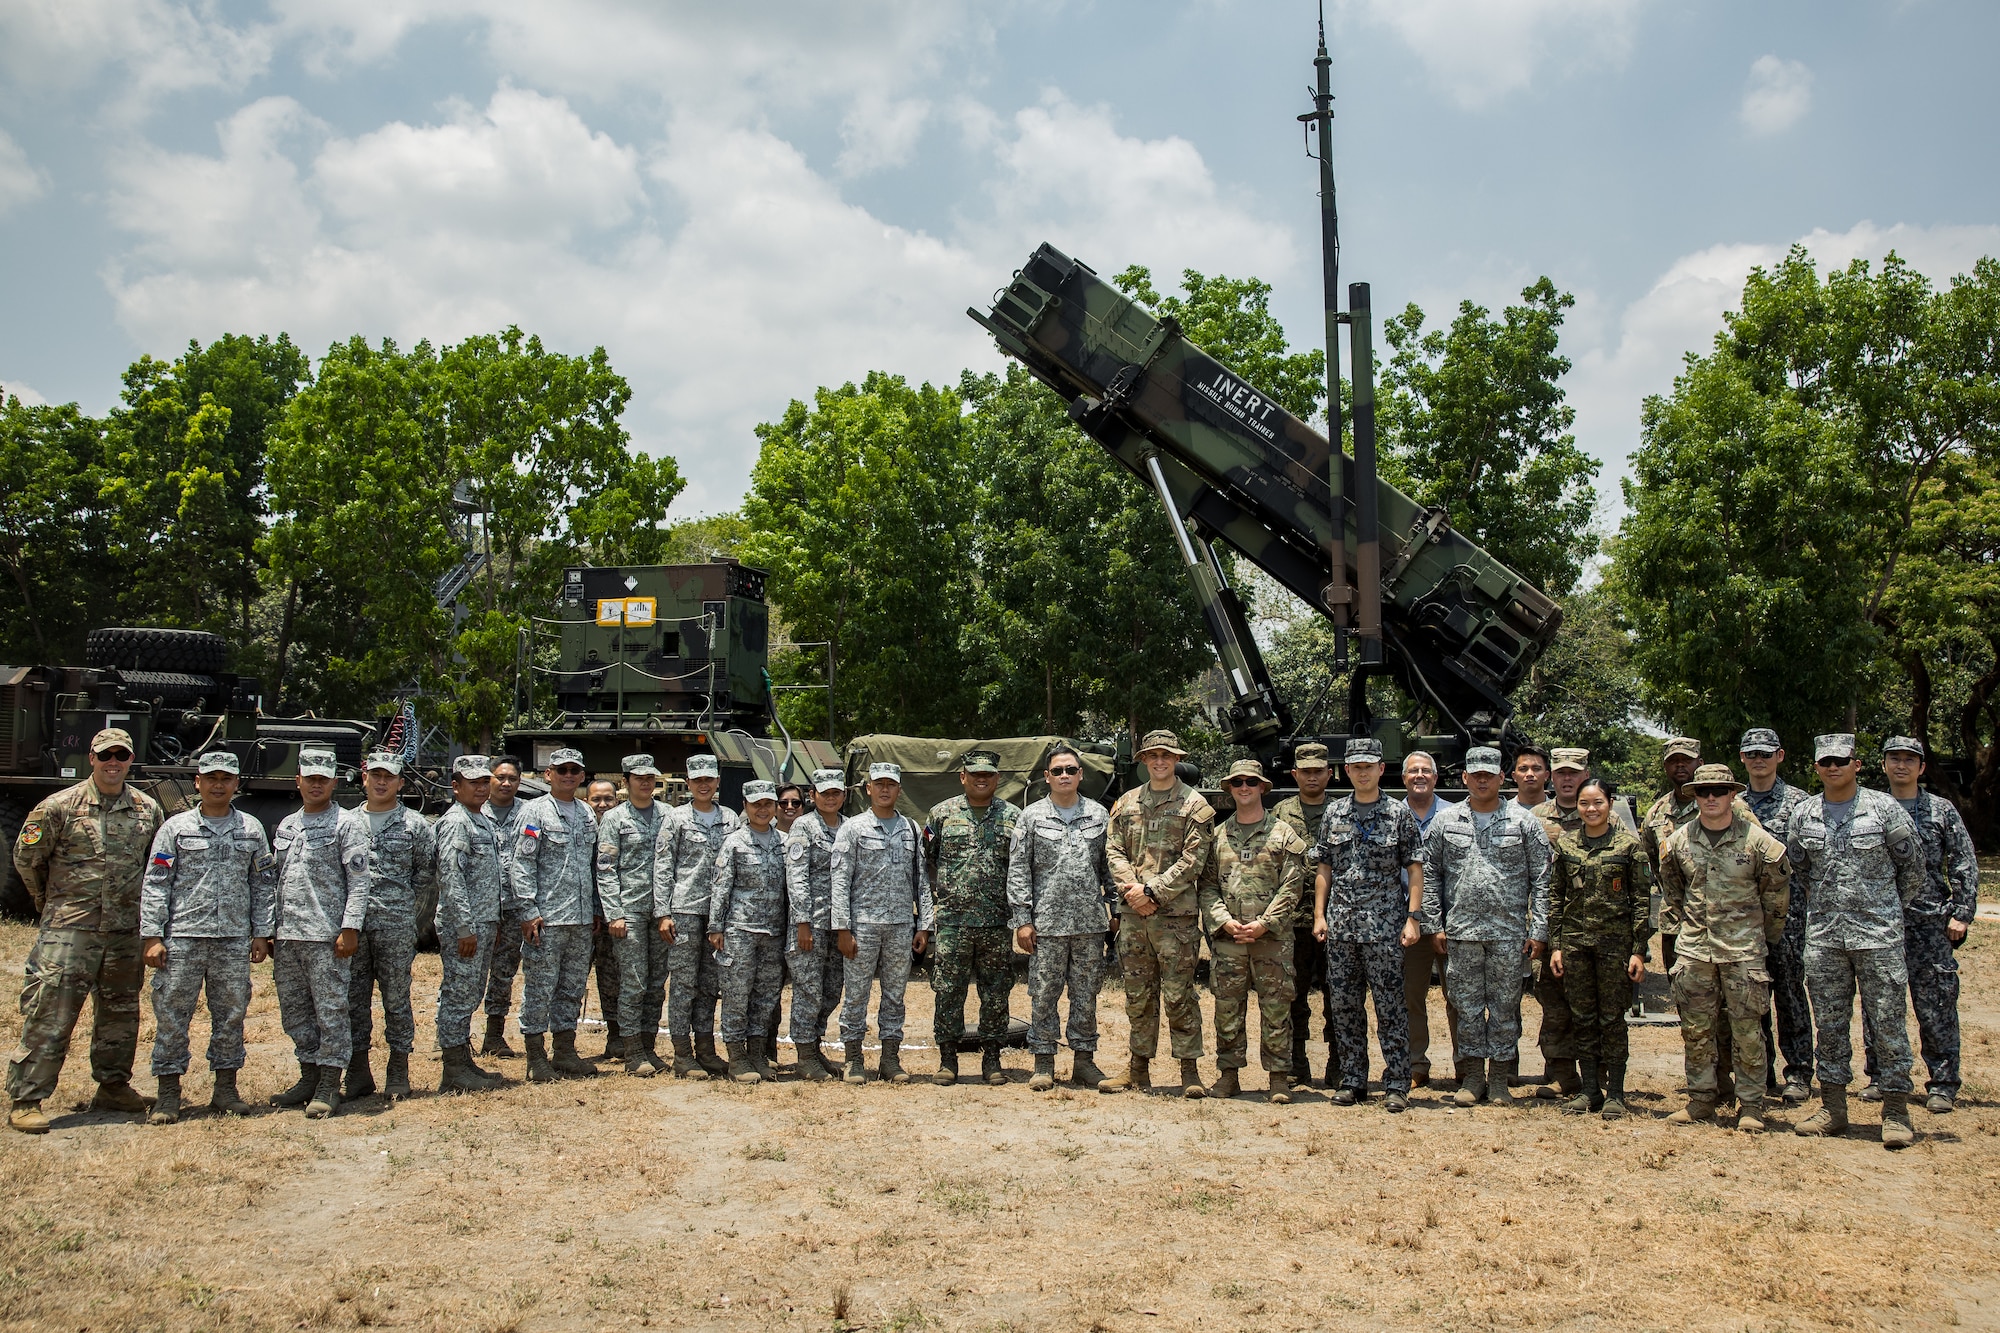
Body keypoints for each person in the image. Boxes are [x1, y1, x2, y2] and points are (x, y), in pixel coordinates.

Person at [7, 727, 164, 1134]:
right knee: (51, 1013)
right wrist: (51, 904)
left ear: (131, 761)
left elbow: (153, 868)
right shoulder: (57, 807)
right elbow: (27, 861)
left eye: (122, 756)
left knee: (120, 1013)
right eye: (105, 755)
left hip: (124, 930)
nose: (114, 762)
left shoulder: (148, 809)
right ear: (91, 758)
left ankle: (113, 1086)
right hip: (69, 931)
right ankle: (28, 1097)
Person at [1788, 734, 1925, 1147]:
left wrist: (1883, 908)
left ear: (1857, 765)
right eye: (1825, 762)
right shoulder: (1804, 813)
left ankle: (1897, 1112)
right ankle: (1833, 1107)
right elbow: (1801, 870)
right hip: (1826, 937)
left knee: (1887, 1024)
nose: (1833, 768)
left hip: (1878, 936)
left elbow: (1914, 869)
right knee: (1828, 1025)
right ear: (1816, 767)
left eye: (1841, 761)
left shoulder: (1884, 809)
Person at [136, 750, 271, 1127]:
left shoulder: (251, 829)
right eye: (210, 778)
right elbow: (157, 883)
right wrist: (152, 935)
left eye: (225, 778)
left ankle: (225, 1089)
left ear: (236, 783)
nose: (217, 784)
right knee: (172, 1016)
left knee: (230, 1015)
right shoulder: (175, 828)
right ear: (197, 782)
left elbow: (262, 885)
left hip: (232, 939)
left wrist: (261, 932)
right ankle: (168, 1093)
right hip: (182, 938)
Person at [1657, 764, 1791, 1132]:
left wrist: (1759, 938)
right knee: (1696, 1030)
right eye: (1703, 791)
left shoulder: (1759, 843)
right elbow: (1674, 893)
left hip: (1743, 951)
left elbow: (1776, 899)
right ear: (1695, 796)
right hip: (1695, 951)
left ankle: (1750, 1105)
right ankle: (1702, 1099)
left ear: (1733, 794)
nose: (1711, 797)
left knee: (1748, 1031)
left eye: (1719, 790)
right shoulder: (1677, 843)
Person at [1419, 745, 1551, 1106]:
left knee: (1507, 1007)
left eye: (1488, 774)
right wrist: (1434, 925)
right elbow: (1430, 875)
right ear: (1464, 777)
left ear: (1500, 778)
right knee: (1466, 1007)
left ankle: (1499, 1081)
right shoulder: (1446, 822)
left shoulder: (1524, 822)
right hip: (1461, 933)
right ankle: (1473, 1077)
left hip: (1509, 934)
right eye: (1474, 774)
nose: (1481, 779)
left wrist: (1538, 929)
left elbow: (1542, 879)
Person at [1863, 737, 1977, 1115]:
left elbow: (1962, 861)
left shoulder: (1940, 811)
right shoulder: (1868, 809)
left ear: (1921, 767)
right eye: (1894, 758)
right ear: (1883, 765)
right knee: (1879, 1004)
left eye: (1909, 760)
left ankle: (1942, 1083)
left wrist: (1962, 912)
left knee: (1936, 1005)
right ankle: (1880, 1077)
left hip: (1930, 924)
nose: (1901, 765)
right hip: (1880, 922)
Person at [1102, 729, 1216, 1097]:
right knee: (1138, 994)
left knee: (1180, 994)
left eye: (1167, 755)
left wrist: (1153, 891)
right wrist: (1134, 892)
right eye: (1153, 756)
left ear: (1177, 759)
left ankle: (1189, 1072)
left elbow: (1193, 860)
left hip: (1175, 919)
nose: (1160, 761)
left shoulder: (1195, 806)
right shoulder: (1126, 803)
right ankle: (1138, 1070)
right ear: (1144, 761)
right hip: (1135, 917)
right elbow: (1114, 851)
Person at [1311, 739, 1423, 1110]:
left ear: (1381, 769)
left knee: (1390, 1007)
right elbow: (1324, 868)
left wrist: (1413, 918)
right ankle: (1353, 1079)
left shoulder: (1398, 814)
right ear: (1346, 771)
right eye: (1355, 766)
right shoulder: (1334, 813)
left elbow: (1414, 867)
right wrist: (1319, 914)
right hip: (1342, 926)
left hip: (1386, 927)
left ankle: (1395, 1083)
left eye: (1369, 766)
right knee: (1344, 1007)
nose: (1362, 772)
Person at [270, 749, 371, 1119]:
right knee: (295, 1012)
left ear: (334, 782)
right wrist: (268, 930)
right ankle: (308, 1076)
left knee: (331, 1012)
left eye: (322, 779)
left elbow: (359, 883)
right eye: (309, 777)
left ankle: (330, 1082)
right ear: (298, 780)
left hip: (327, 937)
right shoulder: (287, 826)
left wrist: (349, 928)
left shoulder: (346, 824)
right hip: (288, 936)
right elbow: (275, 882)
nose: (315, 784)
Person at [1200, 759, 1308, 1103]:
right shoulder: (1217, 836)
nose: (1243, 788)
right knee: (1227, 1009)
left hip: (1272, 940)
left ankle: (1278, 1077)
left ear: (1263, 787)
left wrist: (1264, 924)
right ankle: (1228, 1075)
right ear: (1229, 789)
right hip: (1229, 939)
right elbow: (1206, 886)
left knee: (1276, 1008)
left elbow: (1292, 885)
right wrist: (1224, 921)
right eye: (1237, 783)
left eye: (1250, 782)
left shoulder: (1282, 834)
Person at [1007, 744, 1114, 1092]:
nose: (1064, 776)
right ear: (1047, 777)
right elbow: (1019, 870)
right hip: (1047, 925)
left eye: (1071, 769)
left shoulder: (1099, 815)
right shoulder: (1032, 816)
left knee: (1086, 994)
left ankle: (1084, 1062)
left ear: (1080, 774)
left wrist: (1115, 912)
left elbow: (1109, 869)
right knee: (1044, 994)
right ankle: (1043, 1062)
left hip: (1089, 924)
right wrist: (1023, 919)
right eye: (1058, 771)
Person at [1547, 777, 1650, 1119]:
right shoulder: (1566, 846)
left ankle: (1615, 1093)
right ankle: (1590, 1090)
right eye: (1584, 803)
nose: (1591, 809)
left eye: (1598, 803)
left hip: (1614, 947)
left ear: (1610, 804)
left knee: (1612, 1019)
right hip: (1576, 946)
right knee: (1583, 1018)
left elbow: (1640, 902)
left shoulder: (1627, 847)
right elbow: (1556, 898)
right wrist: (1557, 946)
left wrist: (1638, 950)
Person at [832, 762, 933, 1084]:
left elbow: (921, 880)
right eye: (879, 784)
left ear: (899, 789)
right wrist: (842, 929)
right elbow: (840, 881)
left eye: (891, 784)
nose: (885, 789)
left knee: (895, 995)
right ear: (868, 789)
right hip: (862, 926)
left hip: (901, 926)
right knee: (856, 994)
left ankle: (890, 1058)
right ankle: (853, 1059)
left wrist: (924, 925)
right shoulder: (853, 828)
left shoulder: (911, 829)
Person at [925, 749, 1021, 1086]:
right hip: (953, 922)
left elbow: (1021, 869)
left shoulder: (1014, 817)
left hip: (996, 922)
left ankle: (992, 1058)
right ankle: (948, 1059)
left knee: (996, 992)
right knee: (948, 991)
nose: (981, 779)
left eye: (988, 774)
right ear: (963, 776)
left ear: (997, 778)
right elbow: (929, 862)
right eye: (974, 773)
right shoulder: (941, 815)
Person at [345, 750, 434, 1102]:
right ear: (365, 778)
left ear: (400, 782)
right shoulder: (346, 822)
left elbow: (424, 876)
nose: (382, 782)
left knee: (396, 1000)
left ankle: (398, 1068)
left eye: (389, 776)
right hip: (352, 927)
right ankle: (357, 1070)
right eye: (375, 775)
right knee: (354, 1000)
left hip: (396, 926)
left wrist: (408, 918)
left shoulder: (415, 825)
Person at [511, 748, 603, 1084]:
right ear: (548, 774)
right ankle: (536, 1057)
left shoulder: (585, 814)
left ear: (582, 776)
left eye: (574, 771)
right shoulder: (534, 813)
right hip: (547, 920)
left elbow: (593, 867)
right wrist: (528, 911)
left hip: (579, 920)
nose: (568, 775)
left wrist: (594, 909)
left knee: (571, 988)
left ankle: (565, 1051)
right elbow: (522, 865)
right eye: (561, 770)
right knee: (539, 988)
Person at [1739, 727, 1814, 1104]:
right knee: (1752, 996)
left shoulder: (1801, 804)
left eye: (1765, 753)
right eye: (1751, 753)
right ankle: (1761, 1072)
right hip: (1746, 917)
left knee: (1789, 994)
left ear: (1780, 756)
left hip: (1791, 918)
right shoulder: (1733, 803)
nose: (1759, 760)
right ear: (1742, 758)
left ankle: (1799, 1072)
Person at [652, 754, 739, 1078]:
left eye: (709, 779)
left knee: (709, 984)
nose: (704, 785)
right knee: (684, 985)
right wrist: (663, 913)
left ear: (717, 782)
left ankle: (705, 1049)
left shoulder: (730, 819)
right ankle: (682, 1054)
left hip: (719, 914)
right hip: (685, 911)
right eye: (697, 780)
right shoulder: (676, 819)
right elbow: (663, 867)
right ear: (688, 783)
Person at [433, 755, 507, 1093]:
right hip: (465, 927)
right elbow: (451, 877)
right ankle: (453, 1069)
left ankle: (462, 1061)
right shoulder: (457, 822)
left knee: (470, 993)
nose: (480, 787)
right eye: (472, 782)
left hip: (483, 923)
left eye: (483, 781)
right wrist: (464, 926)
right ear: (456, 785)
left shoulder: (480, 820)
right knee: (459, 994)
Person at [710, 781, 789, 1084]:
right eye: (756, 803)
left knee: (766, 995)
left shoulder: (784, 842)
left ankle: (757, 1052)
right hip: (740, 930)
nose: (762, 809)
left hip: (773, 932)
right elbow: (720, 887)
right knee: (736, 994)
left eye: (768, 803)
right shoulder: (734, 842)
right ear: (745, 804)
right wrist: (716, 927)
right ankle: (736, 1056)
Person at [1512, 744, 1578, 1099]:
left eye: (1573, 772)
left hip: (1583, 923)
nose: (1531, 775)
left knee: (1578, 1001)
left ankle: (1581, 1072)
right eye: (1524, 768)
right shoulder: (1527, 816)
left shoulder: (1598, 810)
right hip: (1530, 921)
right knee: (1543, 999)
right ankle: (1540, 1070)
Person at [596, 755, 669, 1076]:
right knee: (634, 982)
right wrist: (614, 912)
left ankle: (649, 1046)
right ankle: (632, 1051)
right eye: (638, 778)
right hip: (629, 911)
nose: (645, 783)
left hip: (662, 912)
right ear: (626, 781)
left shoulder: (668, 815)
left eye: (650, 778)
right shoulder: (615, 819)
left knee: (655, 982)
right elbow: (606, 870)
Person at [1273, 741, 1335, 1087]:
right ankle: (1296, 1065)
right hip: (1292, 920)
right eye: (1305, 771)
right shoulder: (1280, 813)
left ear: (1329, 773)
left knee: (1337, 996)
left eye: (1318, 771)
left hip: (1337, 919)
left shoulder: (1343, 811)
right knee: (1292, 996)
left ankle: (1339, 1065)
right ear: (1295, 774)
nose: (1312, 777)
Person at [1398, 751, 1458, 1087]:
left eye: (1426, 771)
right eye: (1413, 771)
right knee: (1410, 996)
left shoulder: (1455, 814)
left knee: (1459, 997)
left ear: (1436, 778)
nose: (1419, 775)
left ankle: (1466, 1064)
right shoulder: (1392, 814)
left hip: (1451, 923)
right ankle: (1415, 1064)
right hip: (1408, 925)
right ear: (1403, 778)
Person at [785, 769, 849, 1082]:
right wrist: (802, 922)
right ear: (813, 795)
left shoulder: (850, 827)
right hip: (811, 923)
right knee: (808, 990)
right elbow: (796, 877)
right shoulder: (804, 826)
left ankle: (816, 1043)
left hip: (840, 924)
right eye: (824, 793)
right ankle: (804, 1055)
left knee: (831, 990)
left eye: (836, 792)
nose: (830, 797)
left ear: (844, 794)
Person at [480, 756, 528, 1059]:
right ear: (489, 779)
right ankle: (446, 1035)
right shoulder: (473, 811)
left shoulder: (528, 813)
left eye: (512, 778)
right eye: (500, 777)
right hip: (479, 909)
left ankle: (494, 1036)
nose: (506, 783)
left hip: (512, 907)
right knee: (464, 975)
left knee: (503, 973)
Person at [583, 776, 625, 1060]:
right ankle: (563, 1045)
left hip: (610, 918)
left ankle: (616, 1037)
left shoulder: (620, 827)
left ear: (616, 801)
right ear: (587, 801)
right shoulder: (580, 827)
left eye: (608, 799)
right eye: (596, 799)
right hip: (579, 917)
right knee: (571, 982)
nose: (602, 804)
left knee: (612, 980)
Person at [1532, 750, 1590, 837]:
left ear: (1586, 775)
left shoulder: (1603, 817)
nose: (1567, 778)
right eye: (1561, 773)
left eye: (1574, 772)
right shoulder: (1535, 816)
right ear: (1552, 776)